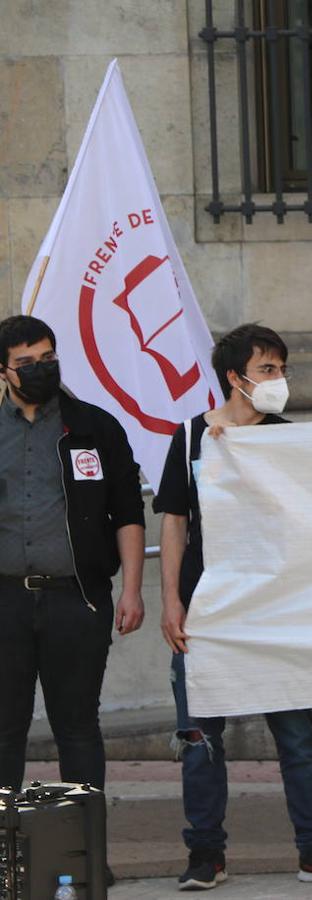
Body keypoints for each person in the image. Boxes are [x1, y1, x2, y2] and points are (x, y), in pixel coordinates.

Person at [154, 324, 312, 890]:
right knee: (199, 740)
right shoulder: (192, 437)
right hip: (208, 612)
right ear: (234, 377)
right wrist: (171, 600)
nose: (278, 381)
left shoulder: (288, 439)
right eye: (267, 370)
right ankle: (205, 854)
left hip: (275, 612)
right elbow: (173, 522)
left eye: (281, 369)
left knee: (297, 738)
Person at [0, 314, 145, 795]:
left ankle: (85, 857)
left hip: (76, 600)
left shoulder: (94, 427)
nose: (40, 369)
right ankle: (5, 858)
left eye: (48, 358)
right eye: (26, 363)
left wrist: (131, 591)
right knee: (4, 732)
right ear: (3, 371)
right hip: (5, 602)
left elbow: (128, 512)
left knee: (78, 728)